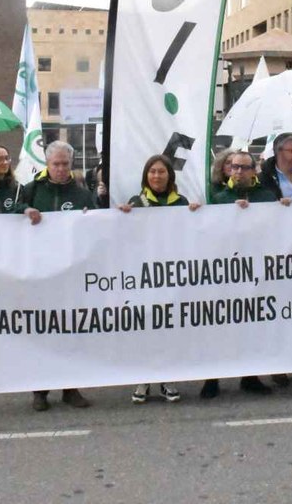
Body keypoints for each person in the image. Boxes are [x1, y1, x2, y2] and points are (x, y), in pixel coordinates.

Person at [202, 150, 290, 398]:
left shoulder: (266, 196)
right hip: (226, 272)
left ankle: (250, 376)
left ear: (254, 171)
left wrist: (283, 209)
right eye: (234, 167)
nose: (238, 172)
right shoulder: (218, 197)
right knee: (219, 327)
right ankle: (212, 379)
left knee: (252, 326)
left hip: (256, 272)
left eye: (243, 168)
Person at [118, 154, 201, 404]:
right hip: (144, 278)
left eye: (161, 172)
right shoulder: (136, 202)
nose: (156, 176)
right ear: (146, 175)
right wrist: (123, 216)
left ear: (170, 175)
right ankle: (144, 378)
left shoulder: (181, 202)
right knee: (146, 328)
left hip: (173, 276)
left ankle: (167, 379)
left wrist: (196, 215)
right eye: (152, 171)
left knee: (170, 328)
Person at [21, 140, 95, 410]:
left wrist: (93, 217)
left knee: (70, 330)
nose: (61, 169)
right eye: (56, 164)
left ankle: (70, 387)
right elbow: (8, 215)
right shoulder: (31, 191)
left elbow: (99, 226)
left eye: (65, 164)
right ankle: (39, 391)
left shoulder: (82, 195)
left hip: (70, 273)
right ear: (47, 164)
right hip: (39, 273)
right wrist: (24, 211)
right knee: (42, 330)